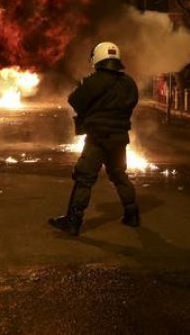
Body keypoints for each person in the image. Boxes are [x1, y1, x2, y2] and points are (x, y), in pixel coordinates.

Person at [48, 42, 139, 236]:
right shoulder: (129, 83)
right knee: (119, 175)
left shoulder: (95, 81)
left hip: (98, 138)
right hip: (120, 138)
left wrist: (81, 88)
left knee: (84, 178)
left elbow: (75, 101)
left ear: (97, 58)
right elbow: (131, 104)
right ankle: (132, 214)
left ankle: (73, 221)